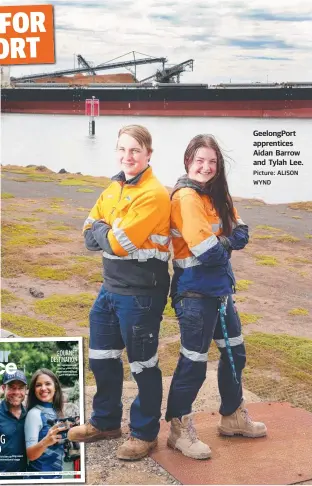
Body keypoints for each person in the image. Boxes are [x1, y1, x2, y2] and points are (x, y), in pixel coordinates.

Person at [69, 125, 171, 461]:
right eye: (122, 150)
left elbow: (115, 242)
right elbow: (87, 235)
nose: (127, 157)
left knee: (143, 365)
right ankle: (106, 422)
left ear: (148, 155)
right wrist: (102, 229)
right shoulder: (114, 186)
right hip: (110, 289)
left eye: (135, 151)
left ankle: (144, 433)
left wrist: (102, 228)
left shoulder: (154, 194)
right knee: (102, 359)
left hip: (141, 293)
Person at [165, 134, 267, 460]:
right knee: (194, 365)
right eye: (200, 160)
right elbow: (207, 251)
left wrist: (226, 238)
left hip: (221, 292)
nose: (206, 167)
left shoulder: (216, 196)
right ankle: (179, 431)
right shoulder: (185, 197)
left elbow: (244, 231)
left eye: (212, 161)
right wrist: (227, 239)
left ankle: (233, 417)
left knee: (235, 354)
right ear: (188, 162)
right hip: (193, 293)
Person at [24, 368, 67, 479]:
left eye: (48, 383)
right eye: (38, 385)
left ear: (55, 386)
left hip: (58, 477)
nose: (43, 388)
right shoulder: (34, 414)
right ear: (34, 390)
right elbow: (31, 455)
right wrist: (45, 442)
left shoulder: (58, 411)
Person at [0, 370, 28, 479]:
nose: (16, 392)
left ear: (26, 390)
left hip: (23, 478)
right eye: (12, 387)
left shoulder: (30, 415)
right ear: (3, 388)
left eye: (20, 388)